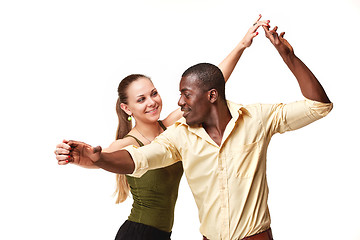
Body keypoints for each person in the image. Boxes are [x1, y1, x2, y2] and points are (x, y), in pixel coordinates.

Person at [56, 20, 333, 239]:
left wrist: (250, 47)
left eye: (154, 94)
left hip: (219, 236)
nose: (159, 102)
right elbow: (133, 159)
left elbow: (215, 79)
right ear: (127, 109)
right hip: (142, 234)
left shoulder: (180, 124)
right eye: (141, 99)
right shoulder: (176, 135)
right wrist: (92, 157)